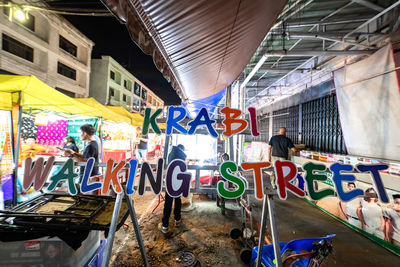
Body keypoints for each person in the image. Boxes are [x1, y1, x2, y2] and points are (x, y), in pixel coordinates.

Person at [159, 144, 187, 233]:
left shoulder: (172, 153)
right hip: (177, 181)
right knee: (177, 199)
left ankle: (165, 225)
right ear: (182, 149)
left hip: (170, 180)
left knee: (168, 202)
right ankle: (177, 220)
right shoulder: (181, 155)